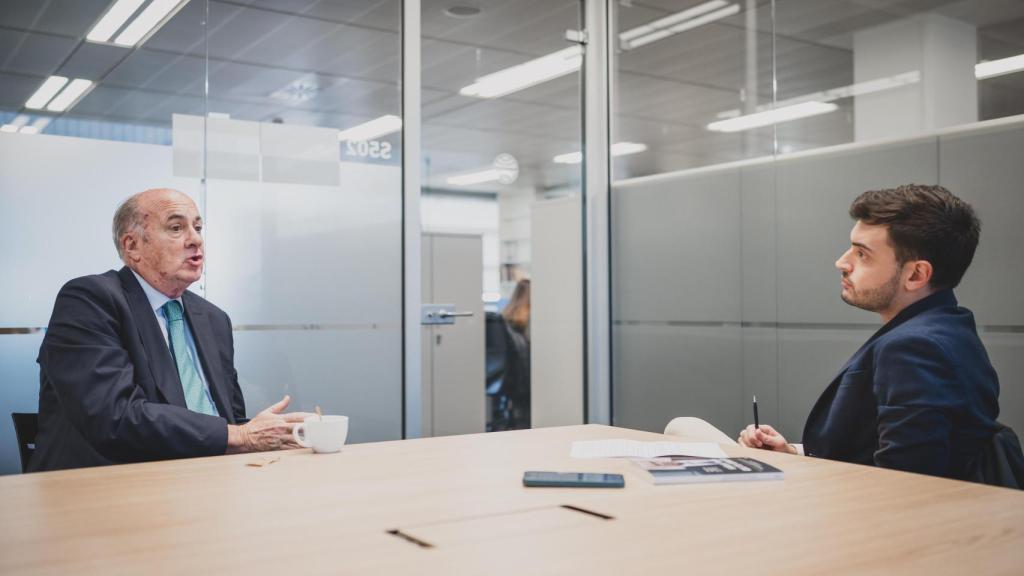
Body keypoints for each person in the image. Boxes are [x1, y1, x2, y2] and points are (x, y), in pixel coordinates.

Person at [29, 188, 314, 472]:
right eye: (176, 228)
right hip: (111, 483)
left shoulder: (213, 319)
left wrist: (272, 435)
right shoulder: (90, 300)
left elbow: (231, 419)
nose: (196, 239)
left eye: (198, 228)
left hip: (213, 479)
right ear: (132, 246)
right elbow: (115, 417)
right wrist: (241, 436)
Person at [738, 184, 1000, 480]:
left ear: (916, 274)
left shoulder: (913, 347)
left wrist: (802, 476)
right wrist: (793, 455)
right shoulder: (951, 325)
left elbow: (903, 482)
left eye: (862, 254)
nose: (842, 262)